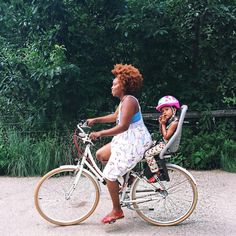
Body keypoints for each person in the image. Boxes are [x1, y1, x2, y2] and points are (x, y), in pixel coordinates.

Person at [87, 64, 152, 224]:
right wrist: (96, 120)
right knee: (101, 155)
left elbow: (123, 126)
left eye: (115, 84)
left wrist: (101, 133)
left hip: (135, 142)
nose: (112, 86)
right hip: (127, 139)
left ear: (124, 85)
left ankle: (117, 210)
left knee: (108, 174)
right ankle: (126, 179)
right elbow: (114, 117)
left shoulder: (130, 101)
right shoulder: (124, 101)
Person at [144, 95, 180, 183]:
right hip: (164, 143)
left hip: (166, 145)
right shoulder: (171, 120)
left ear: (174, 110)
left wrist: (163, 124)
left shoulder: (174, 123)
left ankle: (157, 173)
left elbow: (166, 136)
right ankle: (147, 170)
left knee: (148, 154)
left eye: (167, 110)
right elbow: (162, 132)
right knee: (146, 146)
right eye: (163, 111)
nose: (164, 112)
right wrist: (161, 123)